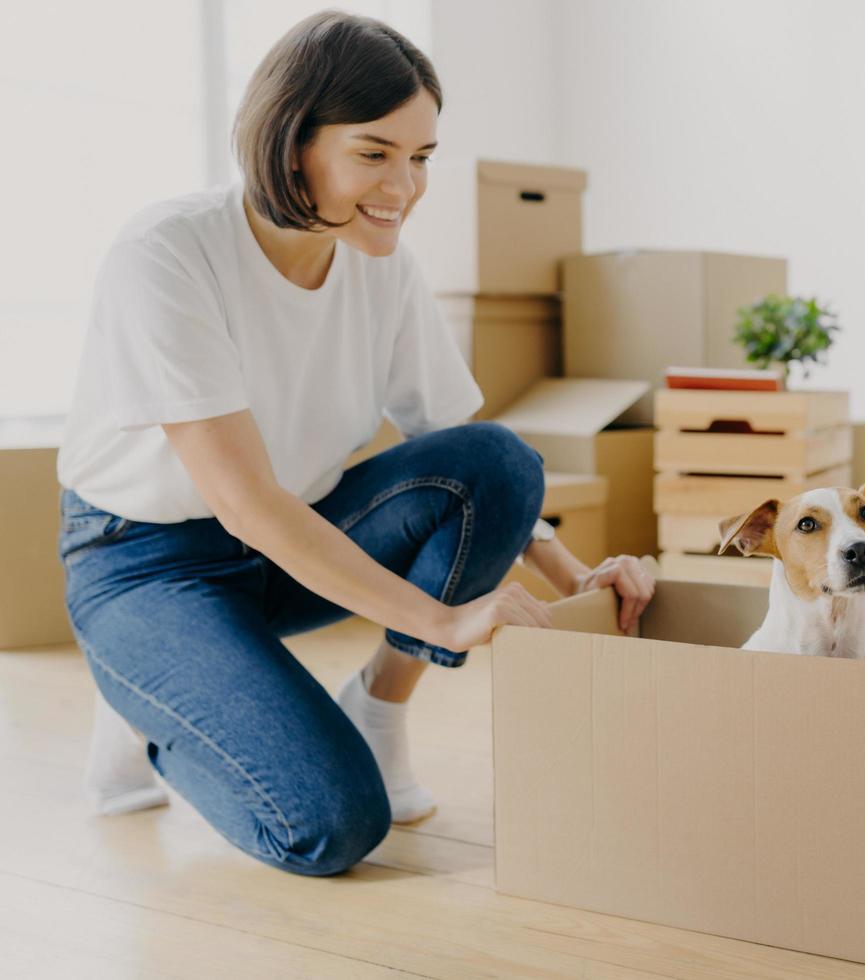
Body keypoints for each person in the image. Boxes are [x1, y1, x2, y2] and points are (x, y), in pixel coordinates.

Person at [55, 11, 655, 877]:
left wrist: (577, 579)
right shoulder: (167, 253)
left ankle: (378, 705)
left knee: (495, 461)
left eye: (421, 158)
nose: (404, 187)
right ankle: (152, 704)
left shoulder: (382, 263)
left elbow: (460, 445)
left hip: (288, 544)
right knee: (332, 827)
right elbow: (245, 502)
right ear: (291, 141)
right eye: (375, 154)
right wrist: (447, 620)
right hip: (147, 564)